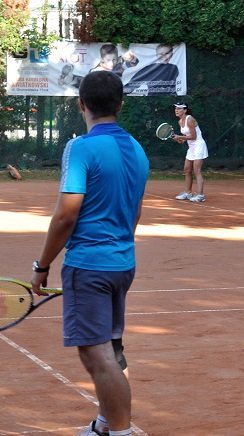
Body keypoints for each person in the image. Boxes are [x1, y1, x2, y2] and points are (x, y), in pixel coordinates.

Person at [30, 71, 150, 435]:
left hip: (90, 265)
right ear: (120, 104)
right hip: (122, 263)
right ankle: (104, 424)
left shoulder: (80, 148)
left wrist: (43, 265)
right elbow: (136, 210)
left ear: (81, 104)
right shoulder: (137, 149)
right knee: (111, 348)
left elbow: (66, 214)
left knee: (95, 353)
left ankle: (120, 431)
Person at [172, 102, 208, 202]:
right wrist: (180, 140)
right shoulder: (180, 122)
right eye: (175, 108)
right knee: (187, 170)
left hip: (199, 146)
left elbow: (194, 136)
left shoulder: (190, 119)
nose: (176, 110)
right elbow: (187, 138)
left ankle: (200, 195)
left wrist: (180, 136)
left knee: (197, 170)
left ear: (185, 110)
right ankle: (188, 193)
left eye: (179, 108)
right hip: (191, 147)